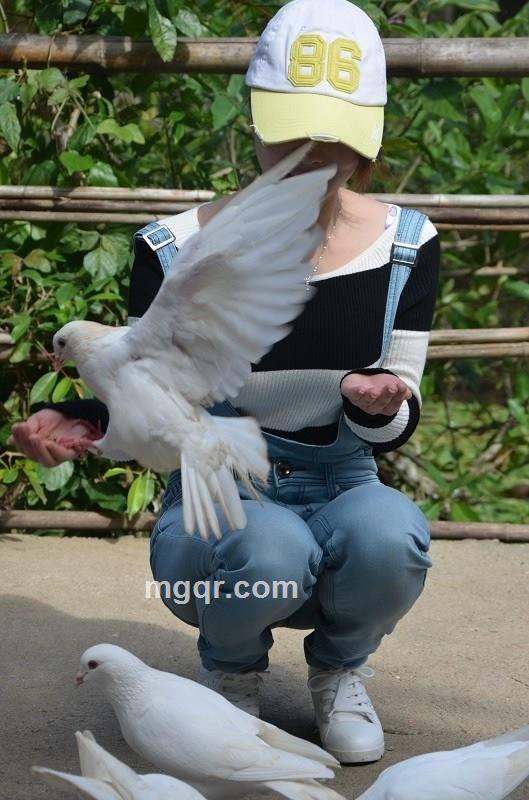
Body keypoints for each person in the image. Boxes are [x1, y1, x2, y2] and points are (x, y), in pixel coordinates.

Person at [10, 0, 439, 765]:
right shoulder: (175, 246)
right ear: (256, 121)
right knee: (265, 543)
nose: (311, 152)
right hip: (216, 471)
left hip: (340, 470)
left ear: (367, 138)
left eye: (334, 137)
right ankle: (231, 672)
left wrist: (378, 405)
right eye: (292, 129)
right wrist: (76, 423)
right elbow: (147, 393)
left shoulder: (405, 245)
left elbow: (398, 417)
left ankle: (339, 669)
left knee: (391, 533)